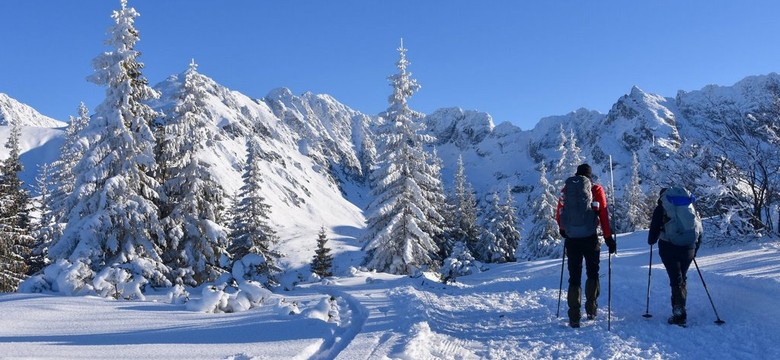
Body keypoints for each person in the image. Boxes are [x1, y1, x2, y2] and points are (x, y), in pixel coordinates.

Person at [556, 163, 615, 328]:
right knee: (592, 273)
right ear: (589, 176)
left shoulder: (566, 190)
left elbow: (559, 211)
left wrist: (563, 229)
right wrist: (609, 238)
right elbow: (603, 213)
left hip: (572, 239)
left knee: (574, 276)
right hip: (590, 238)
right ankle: (591, 309)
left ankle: (574, 316)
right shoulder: (596, 189)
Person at [647, 187, 703, 326]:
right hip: (689, 247)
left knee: (675, 278)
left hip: (669, 246)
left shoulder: (662, 208)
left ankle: (679, 313)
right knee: (681, 277)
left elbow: (653, 232)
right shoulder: (689, 206)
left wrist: (652, 240)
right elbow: (699, 229)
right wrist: (694, 249)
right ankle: (680, 308)